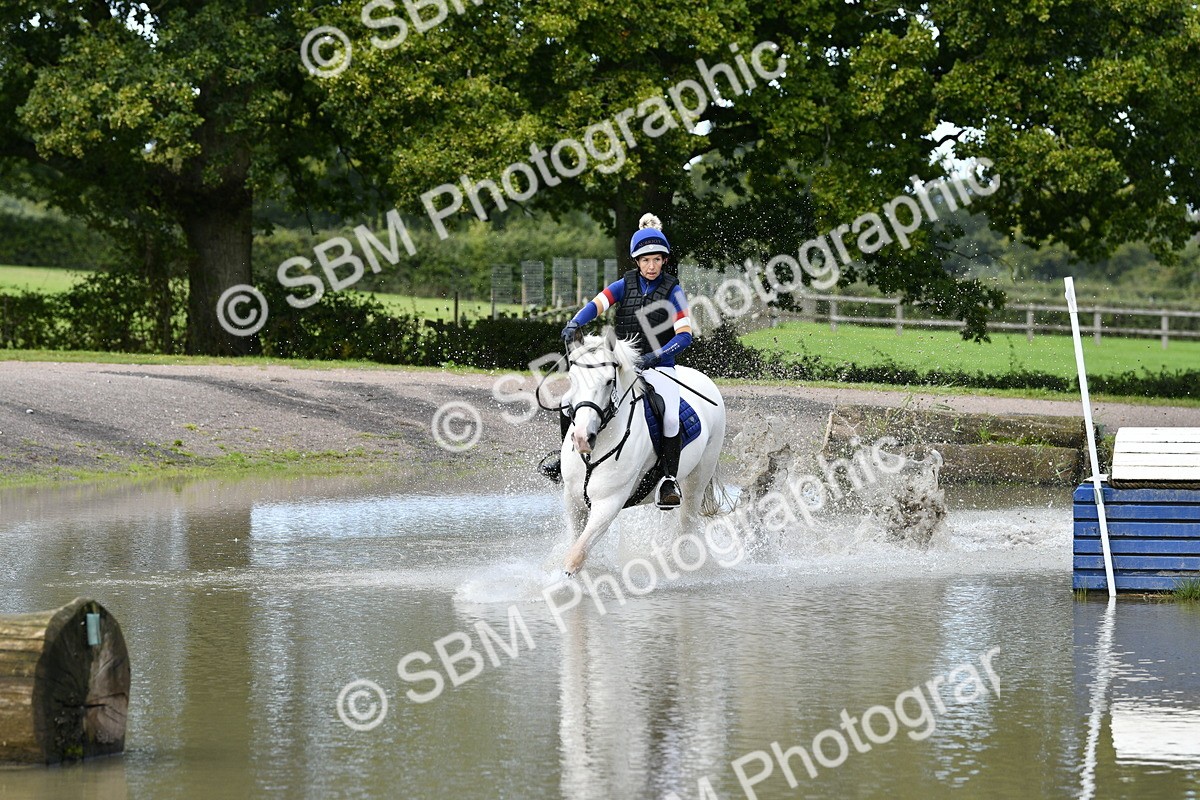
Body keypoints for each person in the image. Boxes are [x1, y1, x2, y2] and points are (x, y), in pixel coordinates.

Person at [540, 213, 694, 509]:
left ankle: (669, 480)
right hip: (621, 364)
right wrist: (574, 323)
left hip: (660, 367)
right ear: (637, 261)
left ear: (664, 260)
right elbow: (597, 305)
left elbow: (684, 335)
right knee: (567, 401)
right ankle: (565, 458)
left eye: (657, 260)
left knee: (671, 416)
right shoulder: (624, 284)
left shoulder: (673, 290)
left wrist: (655, 357)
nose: (651, 266)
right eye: (645, 260)